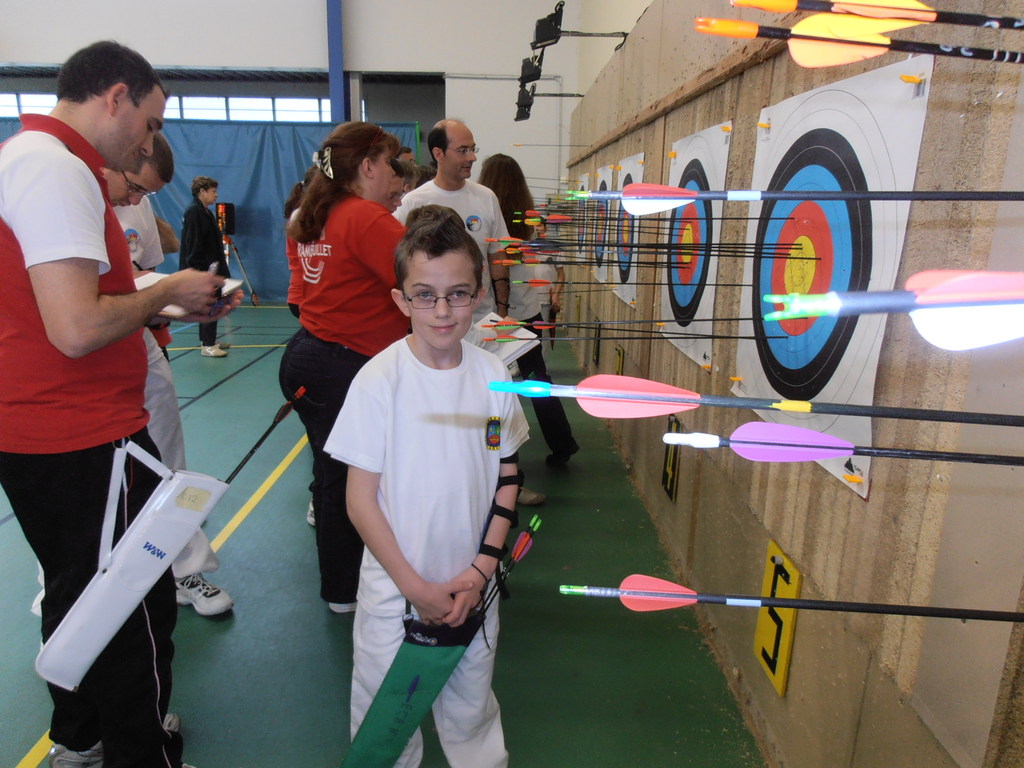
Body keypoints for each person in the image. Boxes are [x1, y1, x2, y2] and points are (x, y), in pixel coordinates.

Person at [0, 40, 237, 768]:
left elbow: (58, 306)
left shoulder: (28, 158)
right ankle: (140, 754)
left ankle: (80, 735)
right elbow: (76, 327)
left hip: (46, 429)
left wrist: (161, 299)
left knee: (78, 594)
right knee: (133, 607)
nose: (149, 141)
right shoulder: (55, 169)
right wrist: (166, 289)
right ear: (116, 98)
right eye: (151, 121)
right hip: (82, 433)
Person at [326, 204, 529, 768]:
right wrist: (415, 587)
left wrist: (480, 571)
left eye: (457, 294)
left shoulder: (493, 376)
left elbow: (508, 474)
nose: (442, 311)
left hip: (472, 589)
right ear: (401, 300)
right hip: (397, 593)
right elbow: (359, 501)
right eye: (425, 295)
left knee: (471, 708)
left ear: (478, 295)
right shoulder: (379, 381)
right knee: (387, 717)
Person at [278, 121, 407, 614]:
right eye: (389, 163)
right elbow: (422, 276)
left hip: (312, 357)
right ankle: (344, 589)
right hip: (341, 365)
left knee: (331, 473)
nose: (395, 174)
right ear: (368, 166)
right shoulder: (366, 218)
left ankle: (342, 585)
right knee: (346, 480)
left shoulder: (322, 212)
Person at [109, 135, 233, 617]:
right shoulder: (61, 190)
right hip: (74, 367)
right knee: (88, 486)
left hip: (137, 348)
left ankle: (184, 570)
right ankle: (81, 586)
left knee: (166, 464)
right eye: (135, 187)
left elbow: (146, 279)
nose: (137, 197)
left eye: (147, 192)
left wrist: (184, 304)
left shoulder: (139, 204)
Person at [478, 154, 579, 466]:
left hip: (495, 313)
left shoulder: (488, 213)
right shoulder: (528, 218)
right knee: (538, 379)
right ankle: (562, 444)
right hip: (527, 310)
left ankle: (497, 454)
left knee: (491, 383)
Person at [395, 119, 511, 322]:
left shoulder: (486, 198)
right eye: (463, 150)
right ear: (438, 154)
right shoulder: (412, 203)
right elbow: (399, 263)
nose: (472, 157)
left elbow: (498, 257)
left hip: (481, 318)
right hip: (433, 322)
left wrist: (502, 312)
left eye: (473, 149)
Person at [179, 175, 230, 357]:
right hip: (204, 268)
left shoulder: (205, 211)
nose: (216, 195)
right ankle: (208, 345)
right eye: (213, 191)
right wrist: (201, 271)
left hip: (212, 266)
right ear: (202, 191)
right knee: (209, 304)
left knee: (214, 302)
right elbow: (194, 244)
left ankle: (209, 339)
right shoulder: (195, 212)